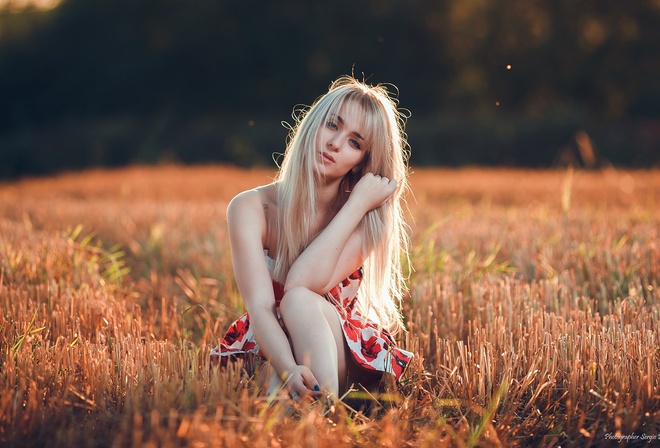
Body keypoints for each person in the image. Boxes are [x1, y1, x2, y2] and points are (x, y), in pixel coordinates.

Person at [211, 75, 414, 402]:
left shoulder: (367, 218)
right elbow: (260, 308)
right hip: (274, 342)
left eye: (355, 143)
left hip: (339, 352)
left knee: (299, 301)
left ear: (360, 164)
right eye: (333, 125)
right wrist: (289, 368)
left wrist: (357, 205)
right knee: (276, 390)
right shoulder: (250, 208)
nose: (335, 143)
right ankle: (304, 424)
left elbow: (300, 285)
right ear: (313, 123)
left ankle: (321, 420)